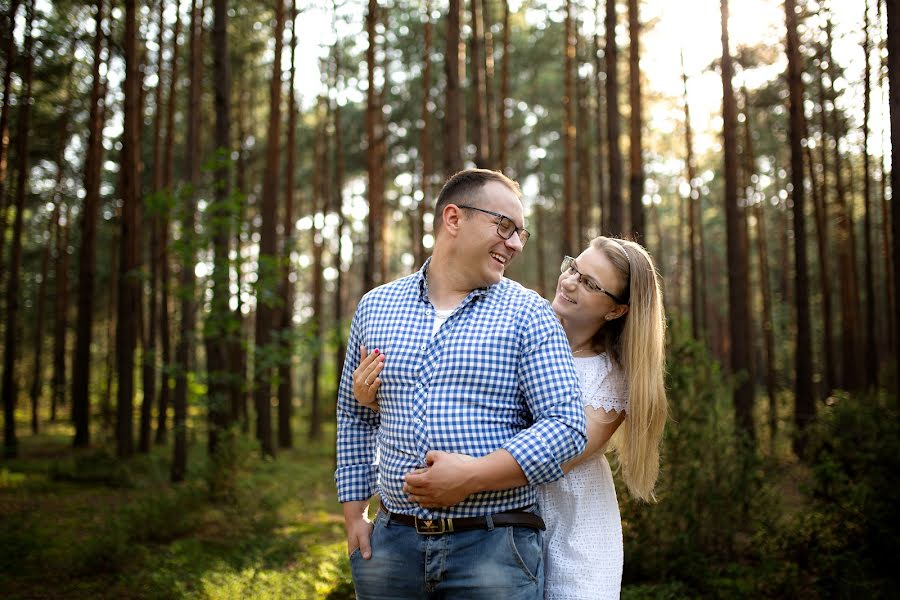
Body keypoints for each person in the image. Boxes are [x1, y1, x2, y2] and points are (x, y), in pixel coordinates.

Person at [354, 236, 668, 600]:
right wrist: (376, 401)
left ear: (616, 311)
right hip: (492, 525)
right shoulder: (513, 328)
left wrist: (465, 469)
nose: (568, 282)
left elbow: (559, 450)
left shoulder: (608, 378)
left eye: (589, 283)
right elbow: (455, 404)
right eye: (573, 268)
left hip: (566, 529)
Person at [335, 168, 587, 600]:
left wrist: (472, 476)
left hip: (494, 549)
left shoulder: (529, 314)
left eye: (520, 234)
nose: (514, 243)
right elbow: (354, 415)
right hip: (391, 546)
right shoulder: (375, 307)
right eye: (504, 226)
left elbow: (566, 426)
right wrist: (354, 514)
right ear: (454, 218)